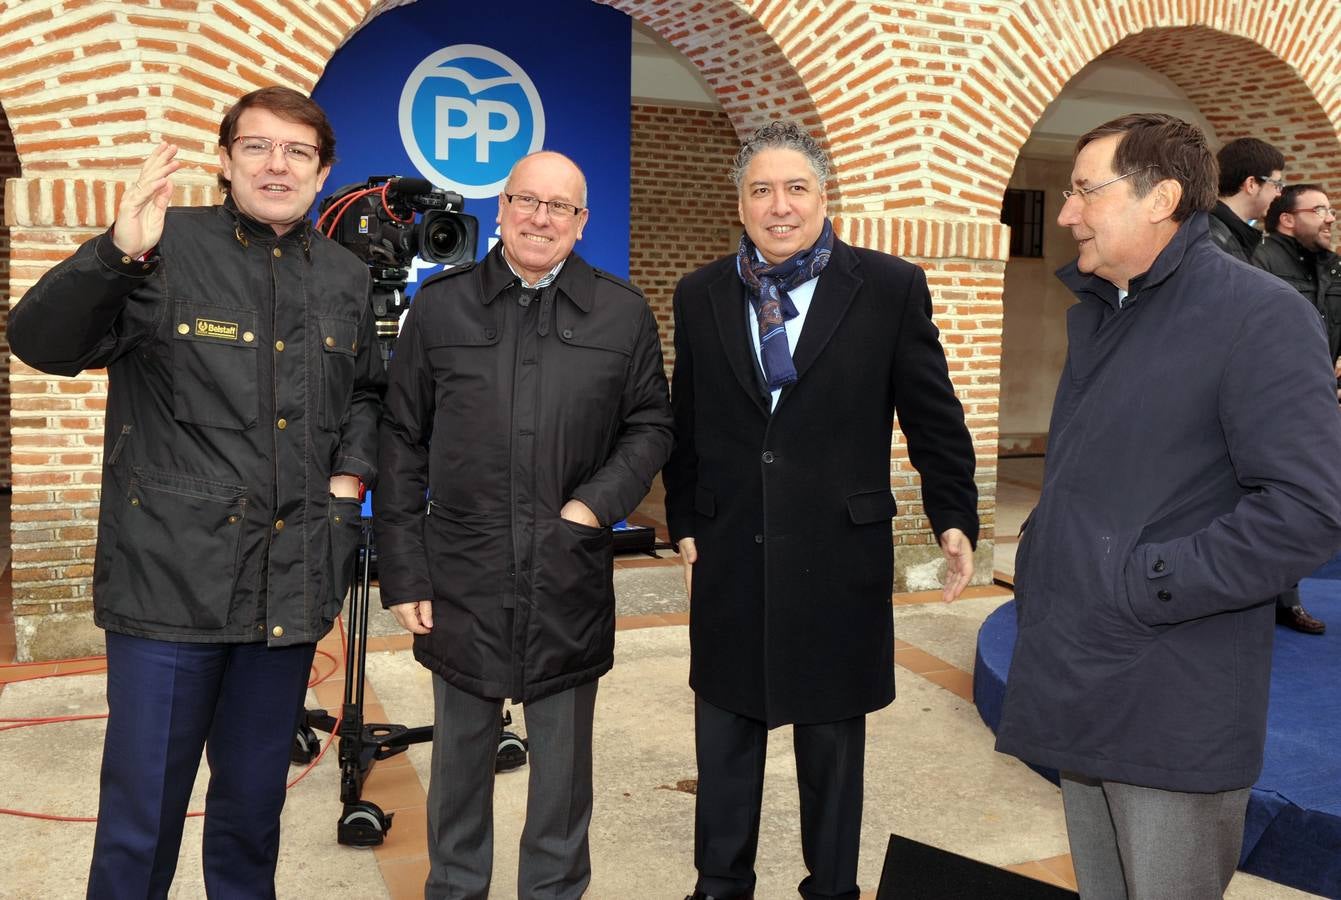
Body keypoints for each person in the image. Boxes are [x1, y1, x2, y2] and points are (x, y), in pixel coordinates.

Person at [8, 86, 384, 897]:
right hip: (169, 591)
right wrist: (114, 253)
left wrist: (348, 480)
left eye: (297, 151)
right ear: (223, 159)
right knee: (142, 817)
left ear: (323, 173)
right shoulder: (161, 248)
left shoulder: (346, 279)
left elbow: (365, 393)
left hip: (286, 589)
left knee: (251, 814)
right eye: (257, 146)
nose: (276, 165)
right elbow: (40, 343)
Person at [995, 113, 1341, 899]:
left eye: (1085, 190)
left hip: (1171, 696)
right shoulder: (1107, 309)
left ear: (1162, 198)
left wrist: (1140, 582)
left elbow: (1304, 509)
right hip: (1083, 677)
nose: (1068, 212)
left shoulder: (1259, 314)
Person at [662, 120, 979, 900]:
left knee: (832, 739)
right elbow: (686, 417)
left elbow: (932, 415)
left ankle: (831, 886)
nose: (778, 206)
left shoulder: (889, 286)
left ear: (822, 196)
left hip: (839, 553)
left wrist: (954, 517)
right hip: (733, 545)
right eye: (761, 190)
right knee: (726, 725)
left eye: (794, 188)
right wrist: (686, 522)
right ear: (737, 201)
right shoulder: (700, 293)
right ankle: (719, 881)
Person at [374, 150, 673, 900]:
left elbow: (649, 425)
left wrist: (591, 508)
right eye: (527, 202)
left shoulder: (621, 312)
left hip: (566, 568)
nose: (541, 218)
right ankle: (455, 889)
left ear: (581, 223)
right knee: (460, 765)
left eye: (560, 207)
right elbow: (401, 438)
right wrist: (403, 568)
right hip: (462, 572)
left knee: (562, 777)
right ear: (501, 209)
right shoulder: (440, 308)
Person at [1246, 184, 1341, 635]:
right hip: (1272, 403)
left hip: (1323, 404)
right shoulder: (1261, 262)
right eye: (1319, 209)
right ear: (1288, 218)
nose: (1330, 218)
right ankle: (1272, 599)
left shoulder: (1333, 265)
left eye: (1331, 210)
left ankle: (1284, 594)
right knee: (1272, 500)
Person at [1207, 137, 1284, 261]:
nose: (1278, 193)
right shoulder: (1215, 239)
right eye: (1277, 185)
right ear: (1252, 184)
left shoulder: (1225, 233)